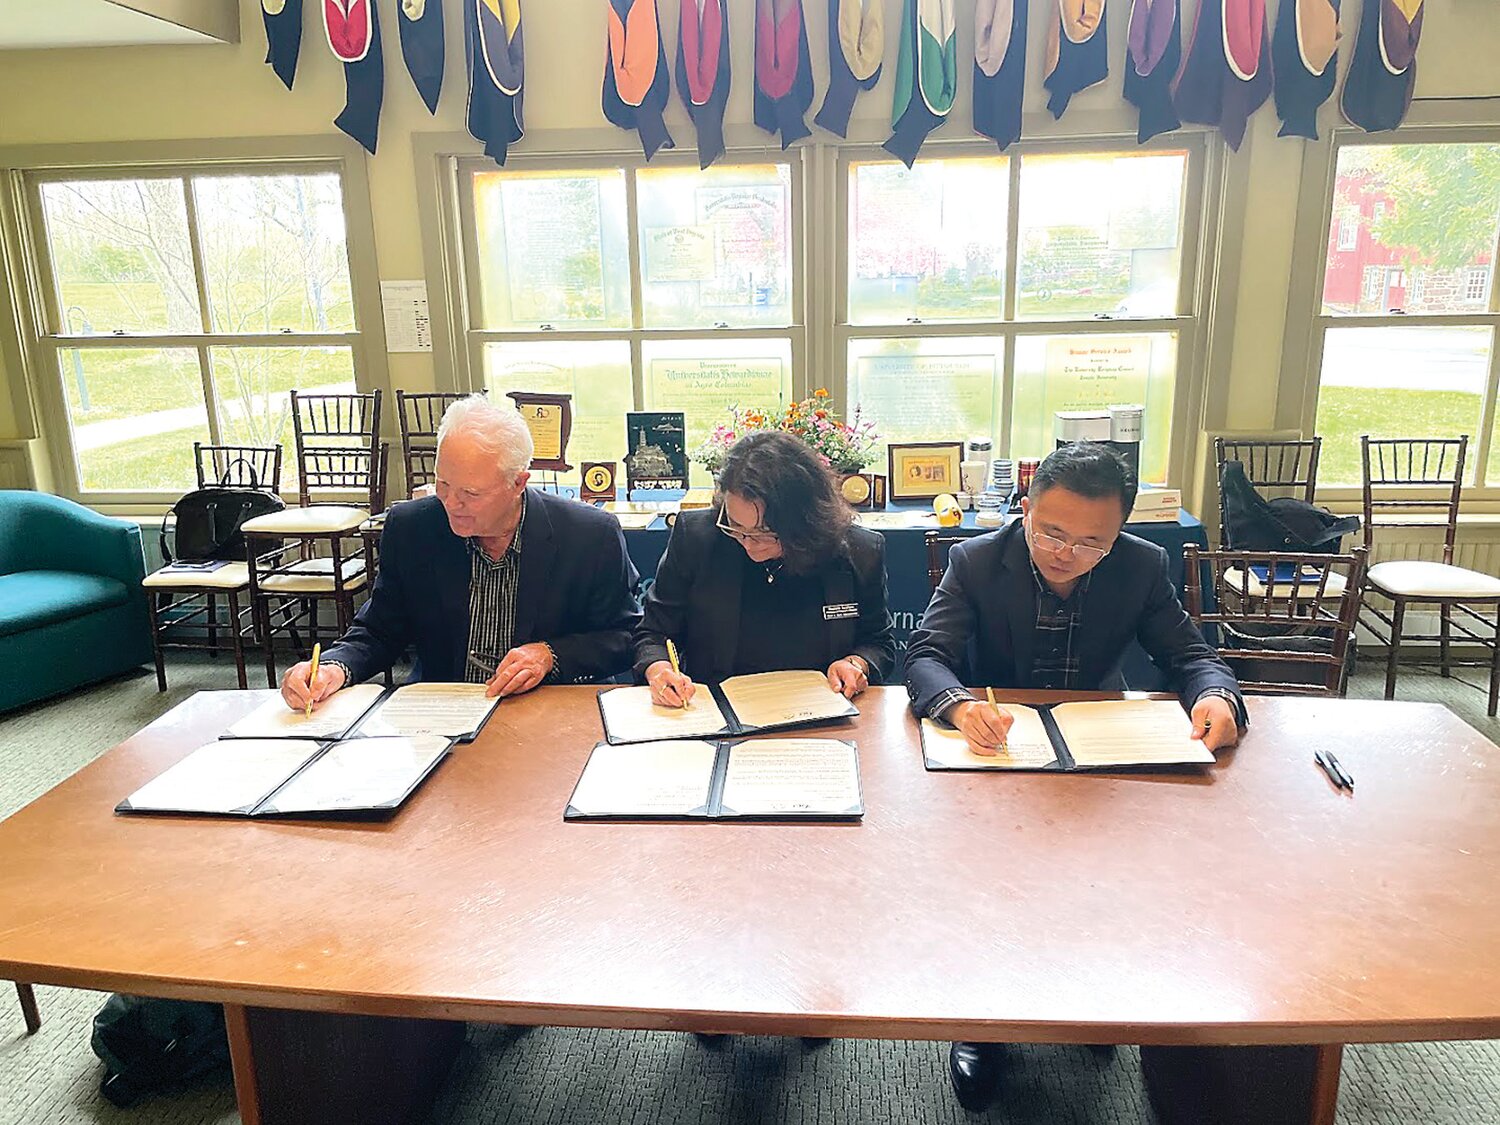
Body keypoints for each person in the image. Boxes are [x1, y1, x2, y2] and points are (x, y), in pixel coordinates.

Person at [904, 441, 1246, 1112]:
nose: (1065, 552)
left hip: (1095, 749)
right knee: (994, 889)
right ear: (1026, 509)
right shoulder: (975, 559)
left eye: (1091, 542)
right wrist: (961, 703)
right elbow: (926, 655)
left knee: (1098, 882)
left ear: (1118, 535)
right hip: (1000, 750)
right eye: (1051, 531)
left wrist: (1217, 699)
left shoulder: (1143, 566)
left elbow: (1194, 658)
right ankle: (984, 1023)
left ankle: (1087, 1004)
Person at [280, 394, 641, 709]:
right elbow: (379, 630)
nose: (452, 503)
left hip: (546, 707)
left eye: (471, 493)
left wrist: (550, 654)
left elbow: (624, 637)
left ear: (518, 483)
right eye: (443, 483)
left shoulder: (589, 535)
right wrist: (332, 668)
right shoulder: (414, 527)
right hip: (445, 707)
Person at [634, 431, 895, 706]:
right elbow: (653, 633)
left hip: (820, 713)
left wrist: (856, 664)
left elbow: (878, 642)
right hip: (716, 712)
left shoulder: (857, 552)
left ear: (806, 522)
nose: (749, 544)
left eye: (765, 532)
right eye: (736, 526)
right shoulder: (697, 538)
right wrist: (660, 670)